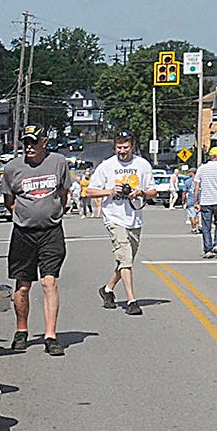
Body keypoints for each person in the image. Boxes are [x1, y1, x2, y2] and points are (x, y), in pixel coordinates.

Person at [0, 127, 74, 355]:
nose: (29, 147)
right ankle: (21, 330)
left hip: (51, 231)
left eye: (34, 142)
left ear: (45, 142)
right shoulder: (13, 168)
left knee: (49, 282)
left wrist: (51, 212)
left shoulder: (58, 162)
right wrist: (26, 213)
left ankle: (50, 335)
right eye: (26, 143)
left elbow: (63, 193)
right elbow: (9, 201)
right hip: (24, 233)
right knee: (23, 285)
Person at [86, 129, 157, 315]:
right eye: (119, 147)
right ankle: (132, 301)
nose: (122, 151)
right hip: (113, 217)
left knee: (126, 261)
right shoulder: (106, 166)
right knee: (125, 259)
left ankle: (107, 290)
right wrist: (110, 191)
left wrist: (139, 192)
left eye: (125, 147)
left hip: (134, 219)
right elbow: (90, 191)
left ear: (132, 146)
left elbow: (153, 192)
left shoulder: (143, 165)